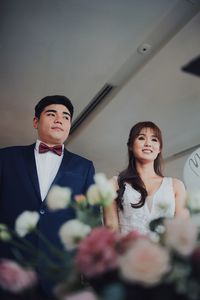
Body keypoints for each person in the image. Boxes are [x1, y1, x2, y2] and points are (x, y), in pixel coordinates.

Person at [0, 95, 96, 299]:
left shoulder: (84, 167)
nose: (59, 119)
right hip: (10, 268)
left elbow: (89, 220)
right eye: (51, 114)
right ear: (36, 121)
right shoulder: (6, 158)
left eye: (66, 117)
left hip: (60, 273)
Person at [103, 121, 189, 235]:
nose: (148, 143)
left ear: (159, 149)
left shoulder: (176, 186)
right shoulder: (113, 184)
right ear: (130, 146)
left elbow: (181, 231)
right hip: (127, 251)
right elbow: (111, 231)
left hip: (164, 252)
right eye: (141, 138)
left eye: (154, 139)